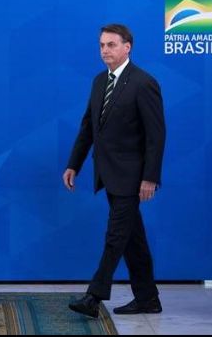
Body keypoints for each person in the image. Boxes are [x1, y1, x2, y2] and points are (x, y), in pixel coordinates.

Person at [64, 24, 165, 318]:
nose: (104, 50)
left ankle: (94, 297)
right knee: (133, 238)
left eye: (111, 44)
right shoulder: (98, 82)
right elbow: (88, 128)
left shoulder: (144, 83)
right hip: (107, 174)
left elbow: (156, 136)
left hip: (132, 177)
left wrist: (150, 177)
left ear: (127, 47)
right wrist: (74, 164)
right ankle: (148, 298)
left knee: (116, 235)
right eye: (101, 45)